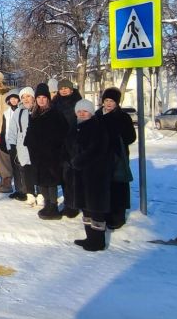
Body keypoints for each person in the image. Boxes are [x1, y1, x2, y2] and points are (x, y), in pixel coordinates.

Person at [24, 83, 69, 220]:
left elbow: (63, 132)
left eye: (44, 97)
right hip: (37, 155)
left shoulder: (55, 113)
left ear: (48, 99)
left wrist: (55, 147)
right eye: (39, 98)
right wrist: (29, 142)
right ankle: (47, 204)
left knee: (52, 181)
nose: (41, 100)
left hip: (52, 155)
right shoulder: (34, 114)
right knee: (42, 181)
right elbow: (30, 132)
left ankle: (53, 206)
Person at [72, 99, 110, 251]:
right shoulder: (77, 127)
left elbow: (96, 150)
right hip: (82, 174)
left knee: (96, 208)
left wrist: (79, 161)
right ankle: (89, 237)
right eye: (79, 111)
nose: (82, 113)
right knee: (86, 208)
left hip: (95, 175)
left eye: (85, 111)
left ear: (91, 112)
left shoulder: (96, 127)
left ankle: (98, 241)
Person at [96, 87, 136, 230]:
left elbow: (131, 137)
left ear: (117, 102)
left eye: (112, 101)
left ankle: (118, 216)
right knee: (105, 187)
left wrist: (118, 137)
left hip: (117, 156)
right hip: (101, 157)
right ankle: (106, 213)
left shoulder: (123, 117)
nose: (108, 103)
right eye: (106, 100)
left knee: (118, 186)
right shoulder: (97, 115)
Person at [51, 78, 83, 218]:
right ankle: (68, 202)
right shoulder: (55, 103)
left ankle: (73, 206)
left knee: (73, 176)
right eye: (61, 88)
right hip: (59, 145)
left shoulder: (78, 101)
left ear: (71, 89)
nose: (63, 90)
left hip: (74, 144)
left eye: (66, 88)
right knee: (63, 177)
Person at [7, 87, 39, 205]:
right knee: (26, 170)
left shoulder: (39, 110)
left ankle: (41, 194)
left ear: (33, 97)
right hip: (23, 146)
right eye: (23, 97)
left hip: (38, 146)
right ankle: (30, 194)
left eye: (28, 96)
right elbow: (12, 130)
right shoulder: (19, 112)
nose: (26, 99)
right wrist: (12, 146)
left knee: (38, 169)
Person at [0, 89, 24, 198]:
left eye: (16, 98)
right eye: (11, 98)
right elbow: (4, 128)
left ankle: (25, 191)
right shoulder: (6, 113)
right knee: (15, 168)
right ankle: (18, 190)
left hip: (22, 144)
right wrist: (2, 142)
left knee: (22, 168)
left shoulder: (23, 111)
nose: (14, 100)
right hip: (10, 143)